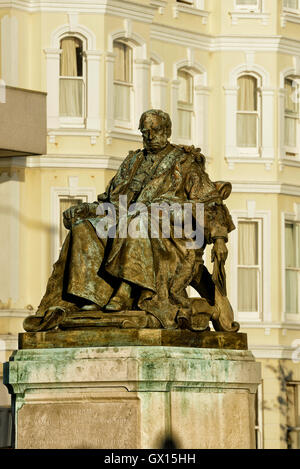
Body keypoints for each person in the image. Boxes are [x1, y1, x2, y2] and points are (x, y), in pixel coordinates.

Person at [23, 109, 238, 333]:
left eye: (155, 131)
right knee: (83, 228)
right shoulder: (132, 162)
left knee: (138, 220)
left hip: (171, 234)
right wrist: (85, 210)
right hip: (124, 219)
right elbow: (109, 201)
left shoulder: (185, 163)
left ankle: (127, 291)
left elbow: (210, 202)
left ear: (167, 131)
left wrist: (220, 238)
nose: (150, 136)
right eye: (145, 132)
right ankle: (89, 296)